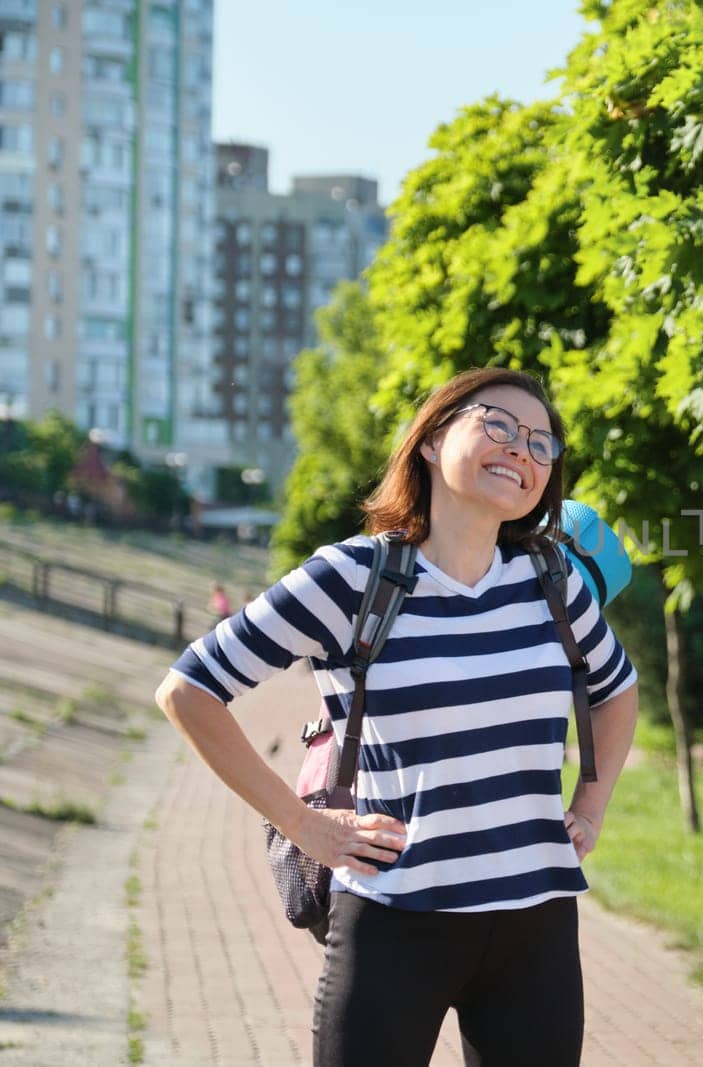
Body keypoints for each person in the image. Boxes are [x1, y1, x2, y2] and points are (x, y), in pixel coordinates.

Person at [154, 367, 639, 1067]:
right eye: (497, 424)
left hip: (536, 926)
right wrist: (303, 824)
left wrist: (591, 806)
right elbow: (189, 688)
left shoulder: (553, 581)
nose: (522, 449)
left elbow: (617, 689)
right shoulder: (352, 578)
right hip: (392, 920)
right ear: (433, 441)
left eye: (541, 442)